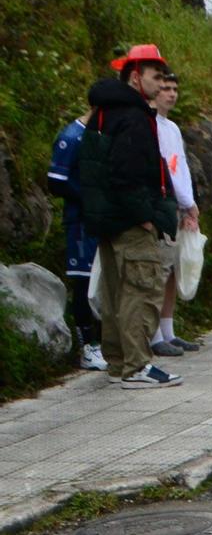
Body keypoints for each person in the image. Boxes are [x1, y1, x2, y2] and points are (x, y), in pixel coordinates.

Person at [75, 46, 181, 388]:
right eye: (155, 76)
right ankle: (137, 366)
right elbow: (128, 172)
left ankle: (119, 363)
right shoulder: (134, 116)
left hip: (105, 218)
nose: (161, 83)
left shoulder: (104, 111)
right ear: (135, 77)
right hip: (130, 219)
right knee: (142, 289)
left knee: (116, 292)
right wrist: (145, 216)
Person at [147, 70, 201, 357]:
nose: (171, 93)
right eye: (165, 88)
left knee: (172, 272)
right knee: (159, 270)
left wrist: (189, 203)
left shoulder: (173, 128)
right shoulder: (149, 125)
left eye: (174, 89)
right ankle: (154, 333)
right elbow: (164, 168)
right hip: (164, 203)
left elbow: (181, 168)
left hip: (179, 204)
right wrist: (182, 201)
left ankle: (168, 330)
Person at [46, 112, 106, 370]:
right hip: (80, 223)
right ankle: (87, 347)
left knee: (102, 283)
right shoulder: (71, 136)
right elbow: (56, 181)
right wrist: (89, 198)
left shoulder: (102, 135)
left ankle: (105, 343)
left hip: (101, 221)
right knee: (82, 282)